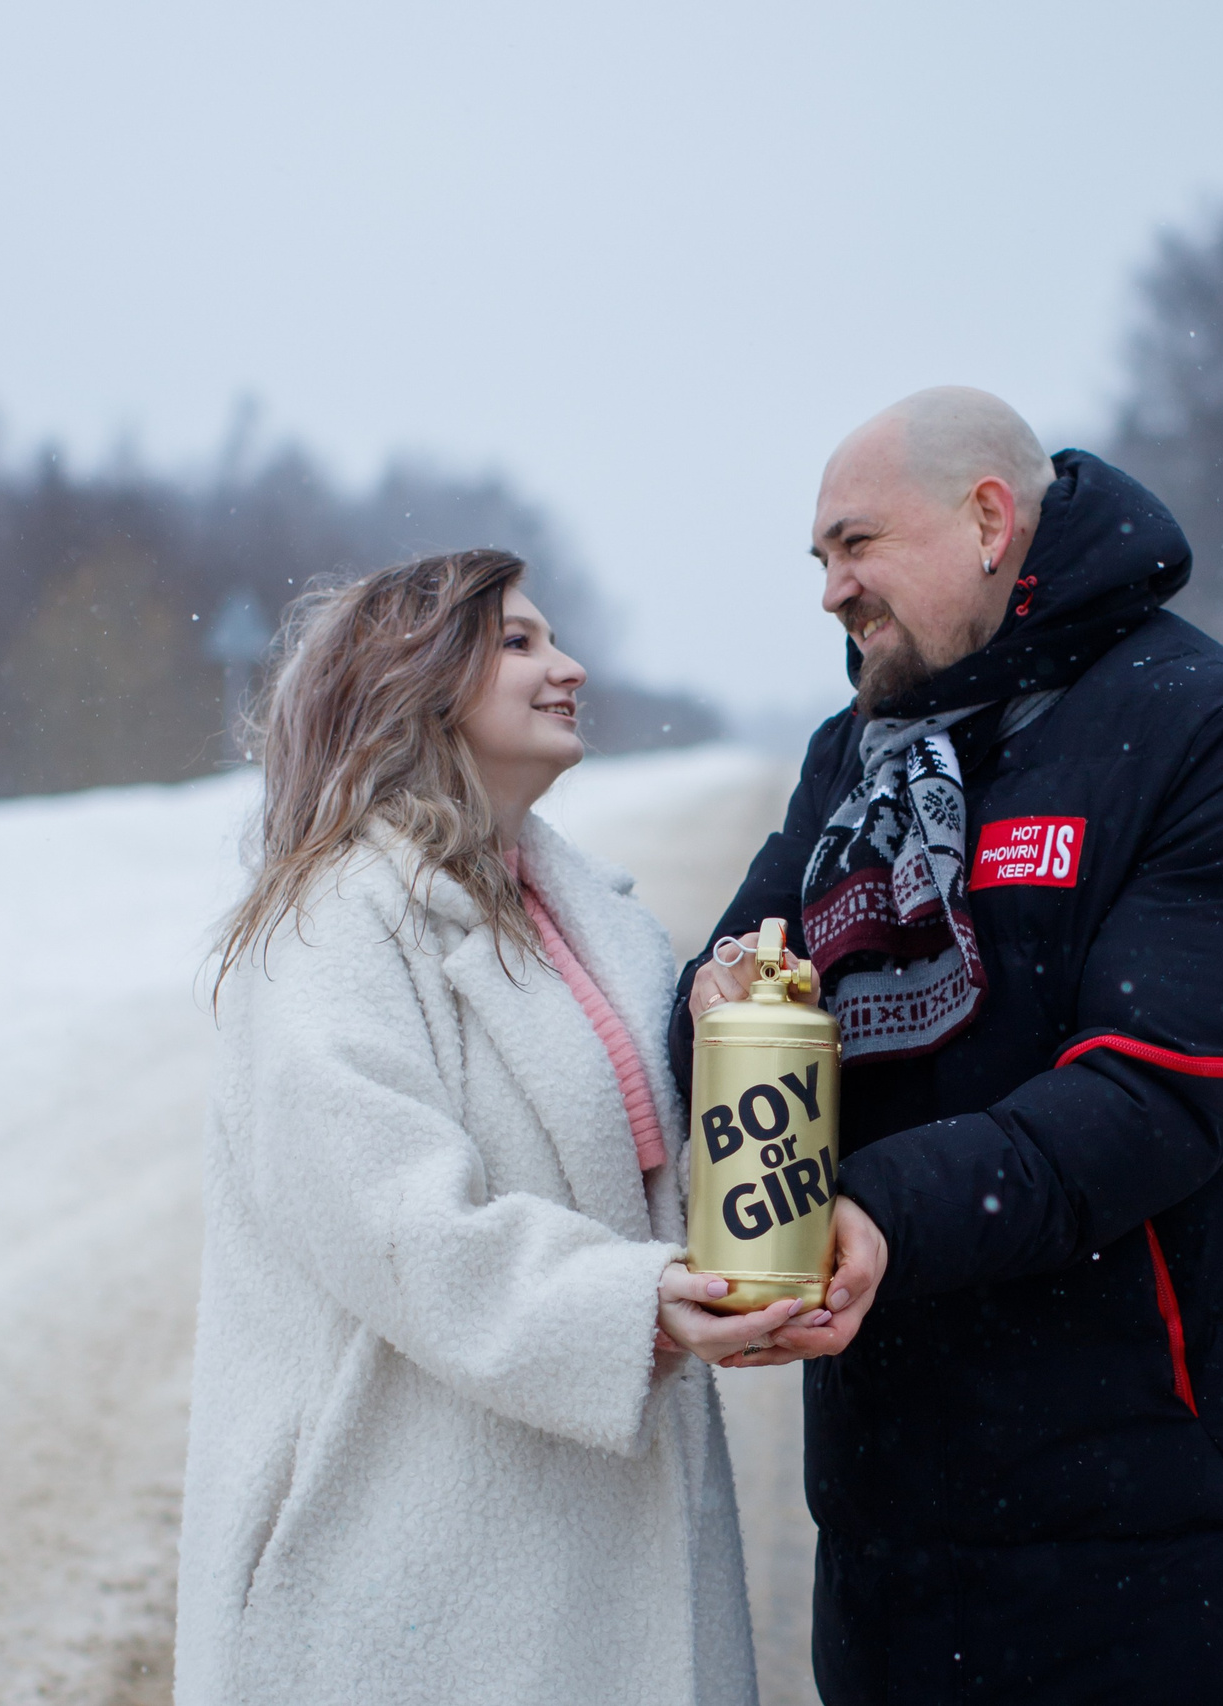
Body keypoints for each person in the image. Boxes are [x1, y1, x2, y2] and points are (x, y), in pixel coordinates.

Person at [674, 390, 1223, 1703]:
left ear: (990, 519)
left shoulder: (1220, 734)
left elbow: (1154, 1092)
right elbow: (724, 991)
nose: (831, 589)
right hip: (897, 1554)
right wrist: (716, 1007)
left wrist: (878, 1208)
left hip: (1177, 1547)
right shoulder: (857, 761)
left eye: (854, 543)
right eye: (818, 560)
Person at [178, 549, 796, 1706]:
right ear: (414, 678)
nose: (565, 667)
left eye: (551, 637)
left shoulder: (593, 921)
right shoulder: (332, 925)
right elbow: (394, 1219)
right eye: (517, 641)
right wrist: (629, 1306)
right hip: (410, 1551)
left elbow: (636, 1173)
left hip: (596, 1529)